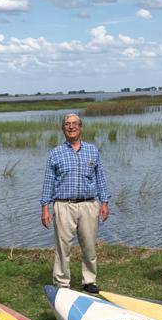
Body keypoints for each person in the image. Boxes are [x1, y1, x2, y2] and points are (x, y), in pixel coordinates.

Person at [40, 113, 110, 293]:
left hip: (89, 205)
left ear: (81, 127)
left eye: (74, 124)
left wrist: (104, 202)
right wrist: (45, 208)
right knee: (63, 247)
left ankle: (89, 281)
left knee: (89, 245)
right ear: (63, 129)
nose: (71, 127)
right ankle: (62, 283)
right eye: (67, 124)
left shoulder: (92, 150)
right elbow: (48, 181)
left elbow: (100, 178)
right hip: (63, 206)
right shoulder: (55, 153)